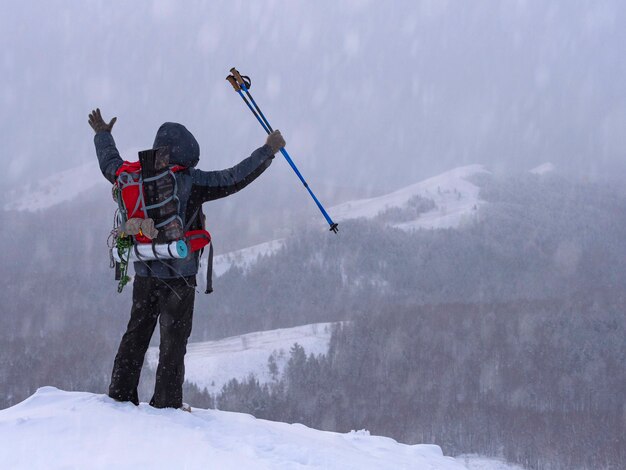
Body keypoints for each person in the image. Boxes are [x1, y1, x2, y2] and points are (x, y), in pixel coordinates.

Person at [88, 108, 285, 409]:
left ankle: (120, 394)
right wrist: (268, 151)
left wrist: (102, 134)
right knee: (173, 344)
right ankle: (166, 404)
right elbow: (234, 177)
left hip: (144, 271)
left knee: (136, 334)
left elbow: (109, 164)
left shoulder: (133, 175)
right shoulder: (191, 181)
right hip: (179, 278)